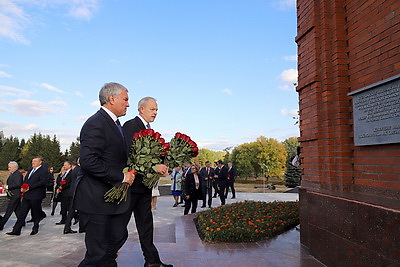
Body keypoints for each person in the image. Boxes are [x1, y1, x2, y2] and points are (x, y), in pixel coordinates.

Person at [74, 82, 135, 266]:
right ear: (112, 98)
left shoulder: (116, 124)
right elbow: (89, 161)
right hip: (97, 200)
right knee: (97, 254)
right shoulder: (96, 123)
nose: (128, 104)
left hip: (112, 201)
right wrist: (121, 177)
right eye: (125, 99)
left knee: (117, 239)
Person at [123, 96, 172, 267]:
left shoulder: (148, 129)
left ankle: (152, 261)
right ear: (141, 109)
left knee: (146, 225)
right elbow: (130, 155)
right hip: (131, 186)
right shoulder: (131, 126)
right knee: (119, 228)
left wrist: (167, 158)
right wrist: (153, 166)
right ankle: (102, 260)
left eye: (157, 110)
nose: (155, 112)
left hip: (144, 187)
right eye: (153, 109)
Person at [6, 156, 48, 236]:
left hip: (36, 195)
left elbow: (42, 182)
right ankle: (16, 230)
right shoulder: (31, 169)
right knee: (22, 213)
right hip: (27, 194)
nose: (33, 163)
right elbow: (26, 179)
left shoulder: (43, 170)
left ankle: (35, 228)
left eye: (35, 161)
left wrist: (30, 187)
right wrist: (23, 187)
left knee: (35, 213)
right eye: (32, 161)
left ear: (40, 162)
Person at [0, 161, 23, 231]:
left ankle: (1, 224)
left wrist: (7, 187)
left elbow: (18, 184)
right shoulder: (13, 174)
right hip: (14, 195)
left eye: (10, 167)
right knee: (18, 210)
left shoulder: (18, 174)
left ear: (14, 167)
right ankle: (22, 222)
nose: (8, 168)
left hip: (15, 195)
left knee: (9, 210)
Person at [63, 160, 80, 234]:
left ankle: (67, 227)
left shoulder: (74, 170)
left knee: (71, 210)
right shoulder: (79, 170)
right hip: (77, 192)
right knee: (73, 210)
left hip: (72, 192)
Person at [56, 161, 73, 225]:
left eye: (65, 165)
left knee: (67, 207)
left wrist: (63, 187)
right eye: (63, 165)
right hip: (62, 192)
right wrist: (59, 187)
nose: (64, 166)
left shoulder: (71, 173)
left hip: (67, 192)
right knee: (63, 207)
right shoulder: (64, 173)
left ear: (69, 166)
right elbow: (60, 181)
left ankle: (75, 216)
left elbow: (70, 183)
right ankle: (63, 219)